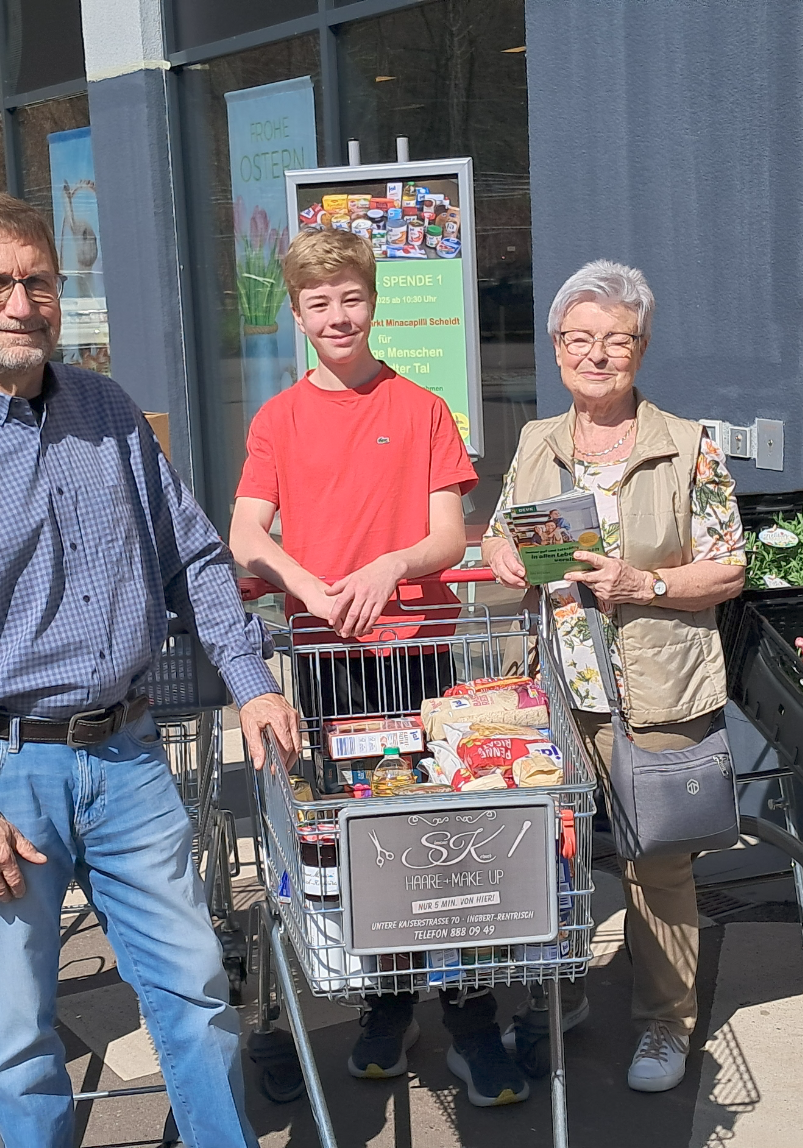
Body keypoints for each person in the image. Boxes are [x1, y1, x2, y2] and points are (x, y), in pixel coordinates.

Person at [0, 191, 301, 1148]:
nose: (19, 303)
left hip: (128, 759)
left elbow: (195, 560)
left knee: (197, 996)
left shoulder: (106, 409)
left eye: (37, 282)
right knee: (15, 1033)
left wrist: (250, 677)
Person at [224, 229, 503, 1100]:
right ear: (299, 316)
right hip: (331, 661)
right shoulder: (279, 418)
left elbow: (450, 533)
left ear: (372, 301)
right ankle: (385, 1005)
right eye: (318, 304)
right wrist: (310, 584)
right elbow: (246, 533)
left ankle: (472, 1017)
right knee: (357, 836)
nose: (337, 316)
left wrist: (388, 567)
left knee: (452, 840)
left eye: (350, 298)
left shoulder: (421, 407)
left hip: (423, 653)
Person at [482, 259, 746, 1093]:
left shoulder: (686, 444)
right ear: (558, 348)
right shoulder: (535, 442)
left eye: (617, 340)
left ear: (641, 348)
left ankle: (665, 1025)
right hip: (553, 692)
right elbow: (498, 545)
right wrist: (505, 557)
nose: (597, 355)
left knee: (656, 862)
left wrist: (644, 584)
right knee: (551, 856)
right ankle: (563, 994)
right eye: (580, 339)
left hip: (653, 689)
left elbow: (729, 569)